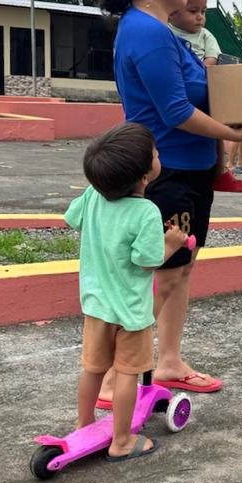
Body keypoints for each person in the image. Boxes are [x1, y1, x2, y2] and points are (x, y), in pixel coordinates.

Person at [97, 0, 242, 401]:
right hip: (167, 170)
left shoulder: (161, 31)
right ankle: (113, 375)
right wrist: (235, 133)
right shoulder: (148, 32)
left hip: (190, 169)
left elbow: (202, 91)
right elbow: (175, 110)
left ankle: (168, 361)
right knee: (167, 272)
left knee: (182, 268)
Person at [65, 122, 188, 461]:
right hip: (131, 312)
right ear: (145, 177)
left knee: (92, 368)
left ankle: (84, 422)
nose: (159, 155)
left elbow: (72, 217)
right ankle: (121, 441)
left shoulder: (93, 195)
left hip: (96, 305)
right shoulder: (146, 211)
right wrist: (171, 243)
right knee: (127, 374)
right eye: (156, 154)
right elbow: (146, 262)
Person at [168, 0, 242, 193]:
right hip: (180, 88)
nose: (200, 17)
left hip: (203, 83)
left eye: (203, 12)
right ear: (173, 12)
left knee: (216, 127)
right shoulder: (166, 33)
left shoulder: (205, 35)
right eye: (193, 11)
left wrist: (198, 72)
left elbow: (212, 59)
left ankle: (220, 170)